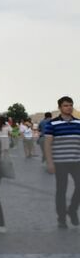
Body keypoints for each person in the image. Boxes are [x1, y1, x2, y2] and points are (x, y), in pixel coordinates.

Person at [42, 95, 80, 229]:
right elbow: (47, 144)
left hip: (76, 161)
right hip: (60, 161)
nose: (68, 108)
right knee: (61, 190)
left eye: (70, 105)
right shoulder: (52, 124)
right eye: (65, 105)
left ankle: (72, 210)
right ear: (60, 108)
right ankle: (62, 218)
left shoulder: (78, 123)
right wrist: (49, 162)